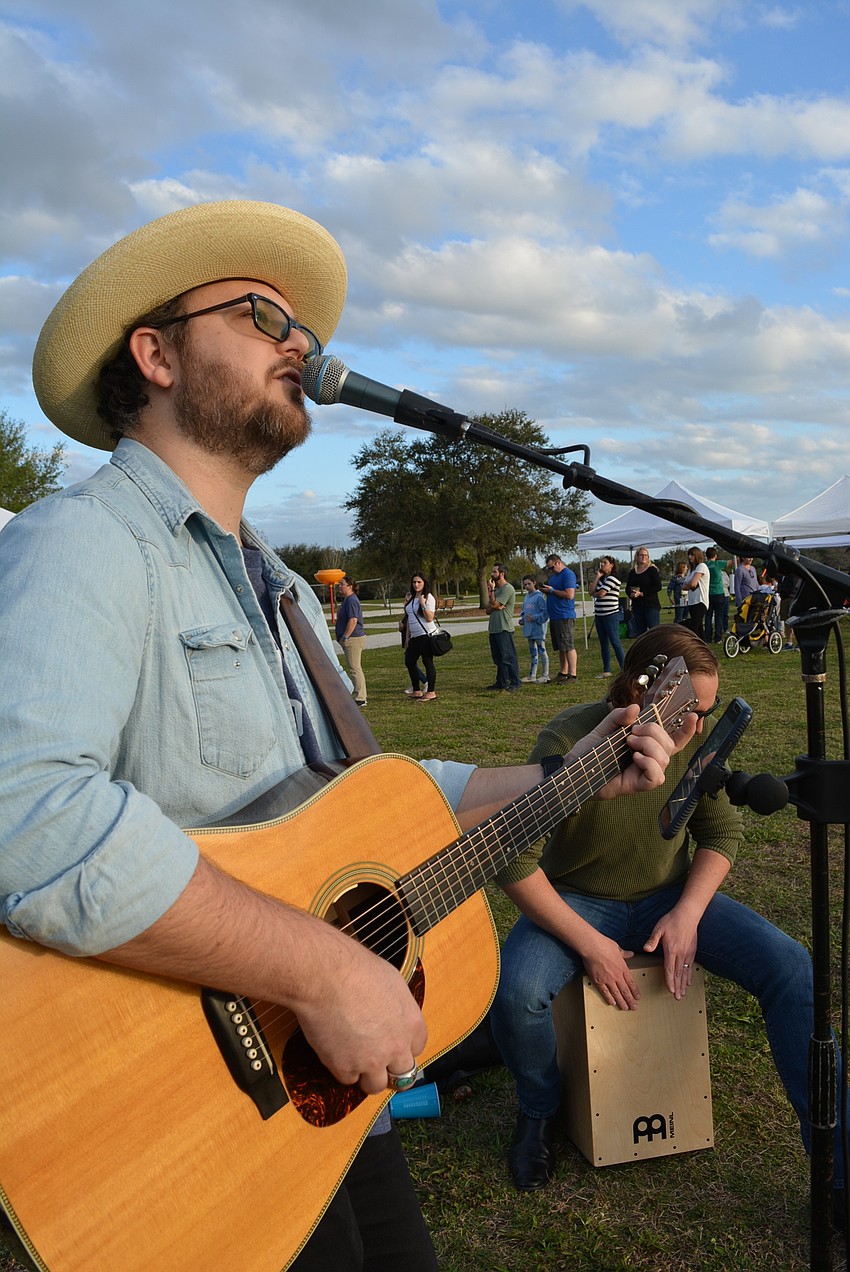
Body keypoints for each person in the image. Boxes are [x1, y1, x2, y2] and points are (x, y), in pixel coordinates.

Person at [0, 200, 692, 1272]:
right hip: (181, 1120)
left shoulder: (279, 587)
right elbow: (27, 815)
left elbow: (367, 799)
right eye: (261, 316)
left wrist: (572, 772)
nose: (300, 345)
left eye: (305, 331)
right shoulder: (84, 542)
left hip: (316, 1095)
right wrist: (322, 970)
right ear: (156, 356)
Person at [489, 626, 844, 1219]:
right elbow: (512, 858)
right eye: (691, 710)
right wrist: (591, 944)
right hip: (579, 899)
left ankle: (838, 1171)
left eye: (707, 712)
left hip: (666, 897)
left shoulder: (693, 745)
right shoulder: (569, 737)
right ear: (646, 690)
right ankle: (539, 1111)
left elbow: (721, 832)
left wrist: (688, 911)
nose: (699, 728)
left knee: (790, 966)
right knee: (517, 991)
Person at [403, 572, 439, 702]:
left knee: (427, 662)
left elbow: (430, 618)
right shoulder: (412, 598)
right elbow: (409, 620)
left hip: (425, 635)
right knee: (409, 661)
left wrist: (423, 604)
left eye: (419, 582)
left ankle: (431, 692)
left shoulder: (428, 597)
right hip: (414, 637)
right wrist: (407, 637)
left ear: (424, 583)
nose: (416, 584)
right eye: (414, 582)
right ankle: (416, 690)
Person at [542, 553, 577, 683]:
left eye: (552, 567)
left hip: (564, 615)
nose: (551, 570)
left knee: (568, 645)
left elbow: (569, 595)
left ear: (558, 562)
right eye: (549, 569)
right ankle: (563, 672)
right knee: (561, 647)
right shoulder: (554, 577)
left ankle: (572, 674)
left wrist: (552, 591)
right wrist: (547, 590)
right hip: (555, 616)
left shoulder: (568, 574)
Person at [486, 563, 521, 692]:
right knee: (498, 658)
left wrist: (494, 600)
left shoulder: (508, 588)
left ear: (502, 573)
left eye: (495, 572)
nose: (492, 574)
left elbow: (495, 605)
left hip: (504, 628)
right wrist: (493, 600)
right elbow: (488, 609)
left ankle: (515, 682)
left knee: (508, 657)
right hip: (494, 628)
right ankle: (501, 682)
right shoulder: (496, 591)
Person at [590, 556, 624, 679]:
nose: (602, 564)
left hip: (611, 614)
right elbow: (591, 591)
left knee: (615, 641)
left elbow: (601, 594)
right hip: (599, 615)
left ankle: (624, 666)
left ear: (612, 565)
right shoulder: (602, 579)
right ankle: (606, 669)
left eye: (605, 563)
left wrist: (595, 594)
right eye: (601, 562)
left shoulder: (613, 578)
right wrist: (597, 577)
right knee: (603, 643)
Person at [336, 575, 367, 706]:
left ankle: (361, 698)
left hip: (353, 638)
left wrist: (345, 636)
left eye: (341, 584)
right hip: (351, 638)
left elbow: (353, 620)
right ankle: (360, 695)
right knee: (354, 667)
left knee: (355, 668)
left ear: (350, 586)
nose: (339, 586)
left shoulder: (351, 601)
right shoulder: (347, 600)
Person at [519, 574, 550, 683]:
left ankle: (545, 675)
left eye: (529, 584)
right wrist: (523, 620)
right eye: (525, 585)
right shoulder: (527, 597)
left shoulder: (539, 597)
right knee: (533, 652)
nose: (527, 586)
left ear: (534, 583)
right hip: (529, 630)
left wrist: (535, 617)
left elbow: (545, 614)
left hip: (538, 630)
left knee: (542, 651)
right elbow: (524, 611)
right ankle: (532, 674)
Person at [625, 547, 662, 635]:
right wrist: (631, 594)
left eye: (645, 555)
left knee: (654, 632)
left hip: (650, 605)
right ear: (637, 556)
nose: (643, 557)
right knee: (640, 633)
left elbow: (658, 586)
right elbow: (627, 588)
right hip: (637, 606)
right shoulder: (633, 572)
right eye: (641, 555)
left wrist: (642, 593)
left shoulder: (652, 570)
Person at [704, 547, 729, 643]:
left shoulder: (704, 565)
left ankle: (707, 637)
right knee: (719, 616)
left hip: (708, 593)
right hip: (718, 593)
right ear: (715, 555)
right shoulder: (718, 564)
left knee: (708, 616)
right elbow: (730, 562)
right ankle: (718, 637)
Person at [682, 545, 710, 634]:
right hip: (692, 601)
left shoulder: (702, 566)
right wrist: (690, 585)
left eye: (692, 555)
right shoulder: (691, 570)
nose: (690, 557)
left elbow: (693, 584)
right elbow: (684, 586)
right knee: (699, 628)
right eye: (689, 555)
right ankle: (702, 641)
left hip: (700, 601)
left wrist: (690, 585)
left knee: (694, 627)